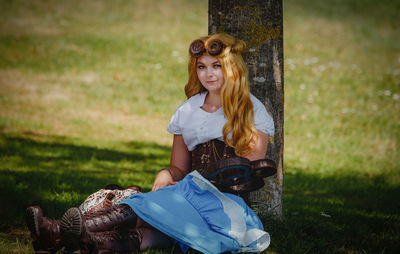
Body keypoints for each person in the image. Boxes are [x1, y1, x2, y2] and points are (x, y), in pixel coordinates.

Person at [26, 33, 275, 253]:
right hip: (188, 196)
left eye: (216, 66)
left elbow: (248, 175)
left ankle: (56, 230)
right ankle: (78, 240)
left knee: (152, 211)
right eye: (201, 67)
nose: (208, 74)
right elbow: (178, 168)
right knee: (150, 219)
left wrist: (201, 183)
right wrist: (166, 174)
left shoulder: (251, 110)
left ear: (232, 68)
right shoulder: (187, 111)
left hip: (226, 206)